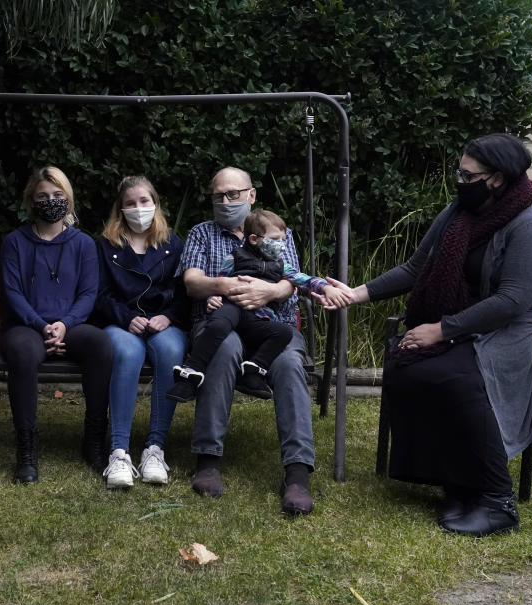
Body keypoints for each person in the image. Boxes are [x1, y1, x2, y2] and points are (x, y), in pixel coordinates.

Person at [335, 133, 532, 537]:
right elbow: (417, 268)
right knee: (410, 368)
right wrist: (355, 294)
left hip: (514, 322)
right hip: (463, 312)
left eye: (467, 174)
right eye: (459, 172)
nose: (459, 180)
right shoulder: (458, 213)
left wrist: (441, 330)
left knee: (459, 376)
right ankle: (456, 483)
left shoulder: (529, 226)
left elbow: (513, 301)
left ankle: (497, 500)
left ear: (497, 179)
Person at [177, 167, 328, 515]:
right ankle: (207, 459)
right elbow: (192, 282)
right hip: (221, 323)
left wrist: (269, 291)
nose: (226, 201)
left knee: (290, 363)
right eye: (219, 196)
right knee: (224, 347)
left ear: (252, 194)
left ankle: (297, 473)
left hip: (273, 324)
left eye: (233, 194)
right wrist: (223, 286)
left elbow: (292, 279)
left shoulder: (275, 231)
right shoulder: (202, 233)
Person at [0, 166, 112, 484]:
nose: (51, 201)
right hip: (26, 325)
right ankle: (26, 448)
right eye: (43, 196)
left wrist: (64, 324)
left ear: (69, 200)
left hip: (71, 324)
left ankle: (93, 440)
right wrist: (41, 325)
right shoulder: (14, 242)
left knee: (101, 344)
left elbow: (89, 292)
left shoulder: (84, 244)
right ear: (30, 201)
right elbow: (12, 292)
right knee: (21, 350)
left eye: (58, 195)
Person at [168, 209, 350, 402]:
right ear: (254, 239)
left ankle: (253, 369)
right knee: (218, 324)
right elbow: (220, 280)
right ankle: (190, 374)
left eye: (283, 240)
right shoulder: (234, 257)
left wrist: (326, 288)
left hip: (255, 317)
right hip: (232, 308)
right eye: (275, 239)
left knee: (284, 333)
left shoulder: (280, 266)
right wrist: (211, 298)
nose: (281, 245)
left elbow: (303, 279)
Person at [91, 176, 188, 489]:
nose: (138, 208)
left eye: (144, 201)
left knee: (172, 351)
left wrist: (169, 316)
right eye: (130, 203)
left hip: (162, 322)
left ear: (155, 204)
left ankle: (154, 449)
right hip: (121, 322)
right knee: (128, 352)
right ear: (120, 208)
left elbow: (184, 291)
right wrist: (126, 317)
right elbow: (99, 294)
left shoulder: (173, 244)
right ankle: (119, 451)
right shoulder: (105, 245)